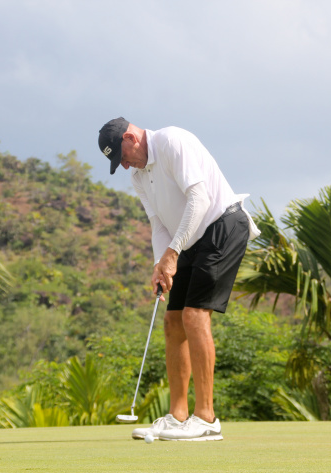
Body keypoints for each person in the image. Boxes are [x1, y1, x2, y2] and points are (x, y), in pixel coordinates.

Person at [98, 117, 259, 441]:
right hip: (189, 239)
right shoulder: (140, 178)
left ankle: (207, 418)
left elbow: (198, 199)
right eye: (119, 163)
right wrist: (161, 264)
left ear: (131, 136)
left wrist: (172, 254)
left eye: (123, 156)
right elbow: (159, 225)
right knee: (173, 321)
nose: (126, 165)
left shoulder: (172, 141)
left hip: (223, 225)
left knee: (194, 316)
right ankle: (178, 415)